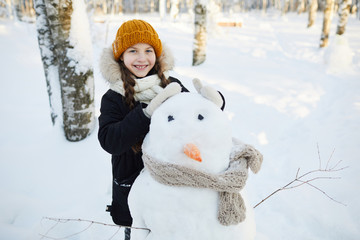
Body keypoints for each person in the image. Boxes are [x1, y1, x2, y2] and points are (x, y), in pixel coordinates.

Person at [97, 19, 188, 239]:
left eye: (148, 50)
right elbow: (110, 141)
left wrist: (214, 104)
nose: (142, 58)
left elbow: (195, 115)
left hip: (173, 184)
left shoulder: (171, 85)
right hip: (134, 187)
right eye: (133, 50)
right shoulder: (113, 98)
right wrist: (145, 114)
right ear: (120, 56)